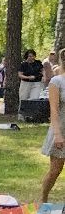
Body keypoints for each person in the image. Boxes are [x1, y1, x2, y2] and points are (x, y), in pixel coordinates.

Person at [41, 67, 65, 202]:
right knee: (55, 170)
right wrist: (57, 134)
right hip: (61, 128)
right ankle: (43, 199)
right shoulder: (57, 82)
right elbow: (54, 111)